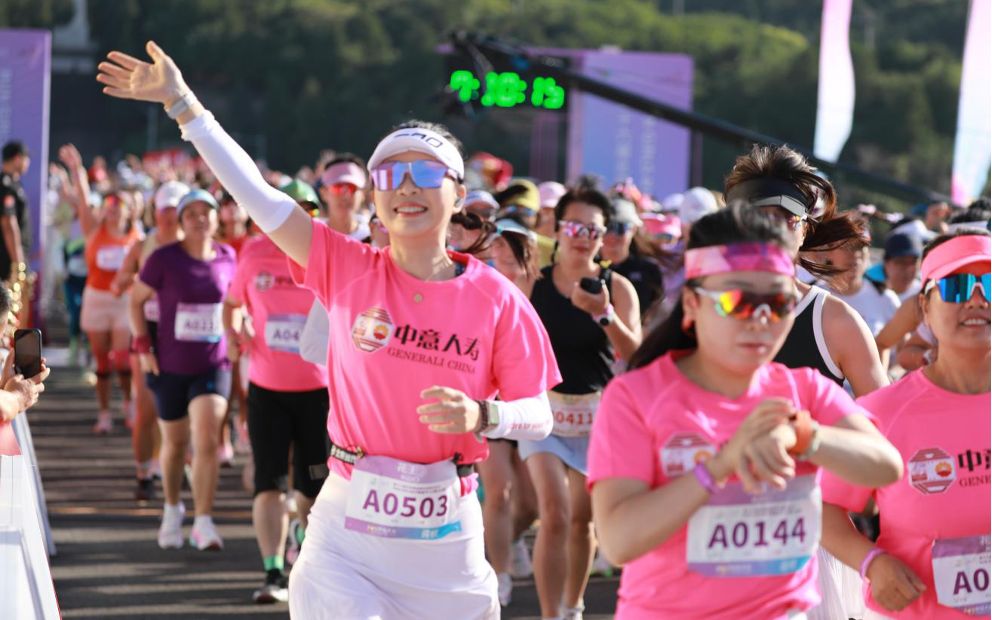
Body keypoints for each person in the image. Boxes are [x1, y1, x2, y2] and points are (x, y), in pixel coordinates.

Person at [97, 41, 560, 618]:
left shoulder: (497, 298)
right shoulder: (347, 268)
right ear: (376, 194)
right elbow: (261, 199)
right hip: (348, 528)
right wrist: (185, 105)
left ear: (458, 193)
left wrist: (482, 416)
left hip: (447, 537)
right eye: (390, 174)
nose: (407, 187)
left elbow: (539, 413)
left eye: (425, 173)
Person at [588, 204, 904, 619]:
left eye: (777, 303)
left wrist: (805, 436)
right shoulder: (636, 397)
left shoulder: (801, 390)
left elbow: (886, 466)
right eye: (736, 300)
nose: (759, 319)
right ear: (692, 303)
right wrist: (721, 465)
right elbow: (619, 541)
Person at [820, 230, 990, 620]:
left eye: (991, 285)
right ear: (924, 308)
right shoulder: (883, 411)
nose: (978, 299)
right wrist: (871, 563)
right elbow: (824, 507)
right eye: (959, 286)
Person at [520, 187, 642, 620]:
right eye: (573, 226)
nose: (581, 236)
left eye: (591, 229)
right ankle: (551, 613)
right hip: (545, 415)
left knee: (581, 521)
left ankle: (573, 606)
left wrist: (603, 314)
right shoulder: (532, 282)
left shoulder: (618, 287)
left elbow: (636, 354)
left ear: (604, 234)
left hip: (597, 417)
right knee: (554, 512)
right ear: (558, 228)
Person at [223, 193, 330, 604]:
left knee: (313, 488)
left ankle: (306, 546)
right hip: (267, 388)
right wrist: (236, 332)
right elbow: (232, 304)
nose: (301, 218)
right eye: (293, 210)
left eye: (309, 211)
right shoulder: (253, 253)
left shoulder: (325, 252)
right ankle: (272, 571)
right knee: (268, 484)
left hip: (318, 391)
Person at [725, 144, 889, 397]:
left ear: (804, 231)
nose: (772, 233)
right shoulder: (700, 310)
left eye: (786, 220)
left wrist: (810, 435)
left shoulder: (835, 322)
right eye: (755, 220)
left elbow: (886, 422)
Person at [129, 188, 237, 551]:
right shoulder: (163, 259)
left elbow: (236, 303)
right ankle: (173, 509)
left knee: (207, 437)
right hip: (170, 365)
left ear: (216, 217)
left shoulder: (229, 258)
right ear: (181, 220)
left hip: (214, 364)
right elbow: (135, 301)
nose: (198, 219)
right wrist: (143, 347)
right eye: (190, 214)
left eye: (205, 212)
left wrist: (241, 327)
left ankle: (204, 521)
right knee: (175, 445)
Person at [478, 218, 542, 606]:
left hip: (534, 407)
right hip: (495, 405)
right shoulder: (481, 284)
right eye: (498, 244)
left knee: (532, 504)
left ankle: (511, 539)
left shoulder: (546, 288)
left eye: (511, 244)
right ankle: (498, 573)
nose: (502, 251)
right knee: (498, 493)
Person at [59, 144, 141, 434]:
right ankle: (104, 412)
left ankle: (129, 404)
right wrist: (77, 170)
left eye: (118, 207)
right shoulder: (95, 230)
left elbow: (143, 270)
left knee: (122, 359)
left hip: (123, 302)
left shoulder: (135, 237)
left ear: (128, 211)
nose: (113, 212)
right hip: (96, 298)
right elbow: (82, 200)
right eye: (109, 207)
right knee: (102, 361)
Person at [114, 180, 187, 500]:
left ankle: (174, 462)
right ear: (155, 212)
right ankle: (144, 471)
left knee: (182, 409)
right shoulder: (143, 245)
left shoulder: (198, 244)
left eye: (174, 210)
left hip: (184, 333)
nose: (168, 217)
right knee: (145, 408)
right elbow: (118, 285)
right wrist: (145, 280)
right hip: (148, 328)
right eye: (163, 210)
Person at [602, 198, 664, 320]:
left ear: (634, 229)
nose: (613, 235)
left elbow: (656, 311)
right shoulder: (588, 267)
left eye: (620, 228)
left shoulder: (649, 269)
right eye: (608, 227)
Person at [317, 154, 370, 239]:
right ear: (324, 193)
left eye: (352, 187)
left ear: (363, 193)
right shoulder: (313, 236)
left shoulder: (373, 239)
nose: (345, 195)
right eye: (337, 187)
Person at [0, 141, 30, 284]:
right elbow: (8, 225)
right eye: (26, 158)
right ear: (18, 158)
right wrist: (18, 264)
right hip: (6, 262)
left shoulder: (14, 184)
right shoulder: (5, 185)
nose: (27, 163)